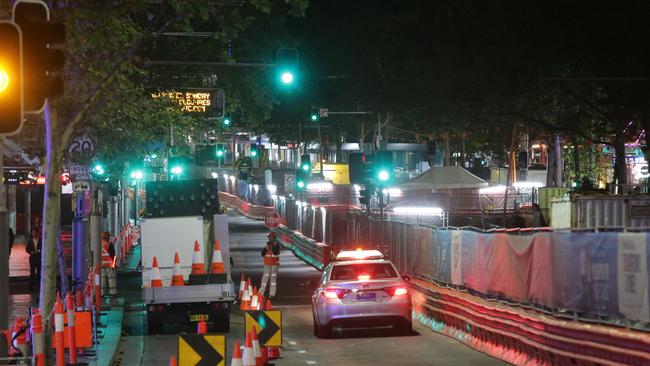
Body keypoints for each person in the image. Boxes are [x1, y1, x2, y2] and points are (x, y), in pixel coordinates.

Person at [259, 231, 280, 298]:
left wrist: (273, 245)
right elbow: (262, 254)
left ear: (274, 238)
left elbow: (276, 253)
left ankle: (272, 294)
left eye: (270, 237)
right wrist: (266, 248)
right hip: (267, 264)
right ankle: (261, 293)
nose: (269, 239)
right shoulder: (267, 244)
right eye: (269, 237)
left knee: (273, 279)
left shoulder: (277, 245)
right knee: (264, 279)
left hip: (274, 264)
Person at [100, 232, 117, 296]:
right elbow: (113, 255)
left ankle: (101, 293)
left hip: (101, 265)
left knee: (102, 279)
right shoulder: (109, 244)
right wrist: (114, 264)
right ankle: (113, 292)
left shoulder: (98, 244)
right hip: (109, 264)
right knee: (111, 278)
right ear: (107, 237)